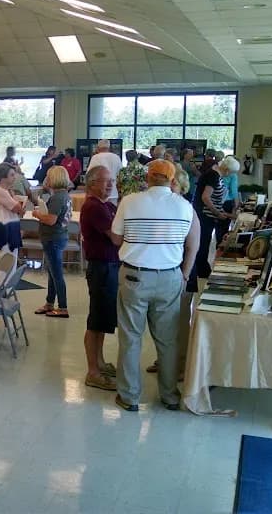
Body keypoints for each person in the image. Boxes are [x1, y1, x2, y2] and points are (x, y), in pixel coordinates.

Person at [110, 159, 199, 412]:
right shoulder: (185, 206)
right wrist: (184, 274)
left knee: (130, 337)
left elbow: (116, 238)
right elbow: (190, 242)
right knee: (168, 340)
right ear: (172, 180)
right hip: (170, 276)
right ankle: (170, 395)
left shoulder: (130, 201)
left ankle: (129, 397)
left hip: (135, 276)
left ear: (147, 177)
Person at [80, 166, 119, 392]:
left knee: (103, 319)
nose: (110, 184)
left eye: (111, 180)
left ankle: (100, 362)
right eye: (105, 181)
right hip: (101, 267)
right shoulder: (94, 207)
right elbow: (116, 238)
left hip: (109, 266)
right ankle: (92, 371)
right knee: (96, 320)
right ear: (92, 183)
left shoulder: (107, 205)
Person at [32, 165, 72, 318]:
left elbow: (51, 220)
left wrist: (37, 214)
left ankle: (62, 307)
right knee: (52, 273)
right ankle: (50, 302)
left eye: (48, 177)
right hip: (57, 237)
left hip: (53, 238)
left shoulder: (57, 198)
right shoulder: (64, 195)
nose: (46, 180)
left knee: (57, 274)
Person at [193, 155, 239, 278]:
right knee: (203, 243)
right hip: (204, 216)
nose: (230, 176)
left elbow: (215, 199)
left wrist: (225, 213)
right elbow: (206, 197)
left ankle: (202, 270)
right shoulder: (213, 176)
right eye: (232, 173)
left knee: (205, 243)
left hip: (208, 215)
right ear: (227, 170)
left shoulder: (216, 174)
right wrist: (218, 213)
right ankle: (201, 271)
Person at [0, 162, 25, 253]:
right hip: (4, 229)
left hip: (9, 226)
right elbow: (18, 209)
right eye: (12, 175)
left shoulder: (5, 191)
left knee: (10, 259)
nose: (15, 177)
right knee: (6, 260)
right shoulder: (0, 191)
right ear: (3, 177)